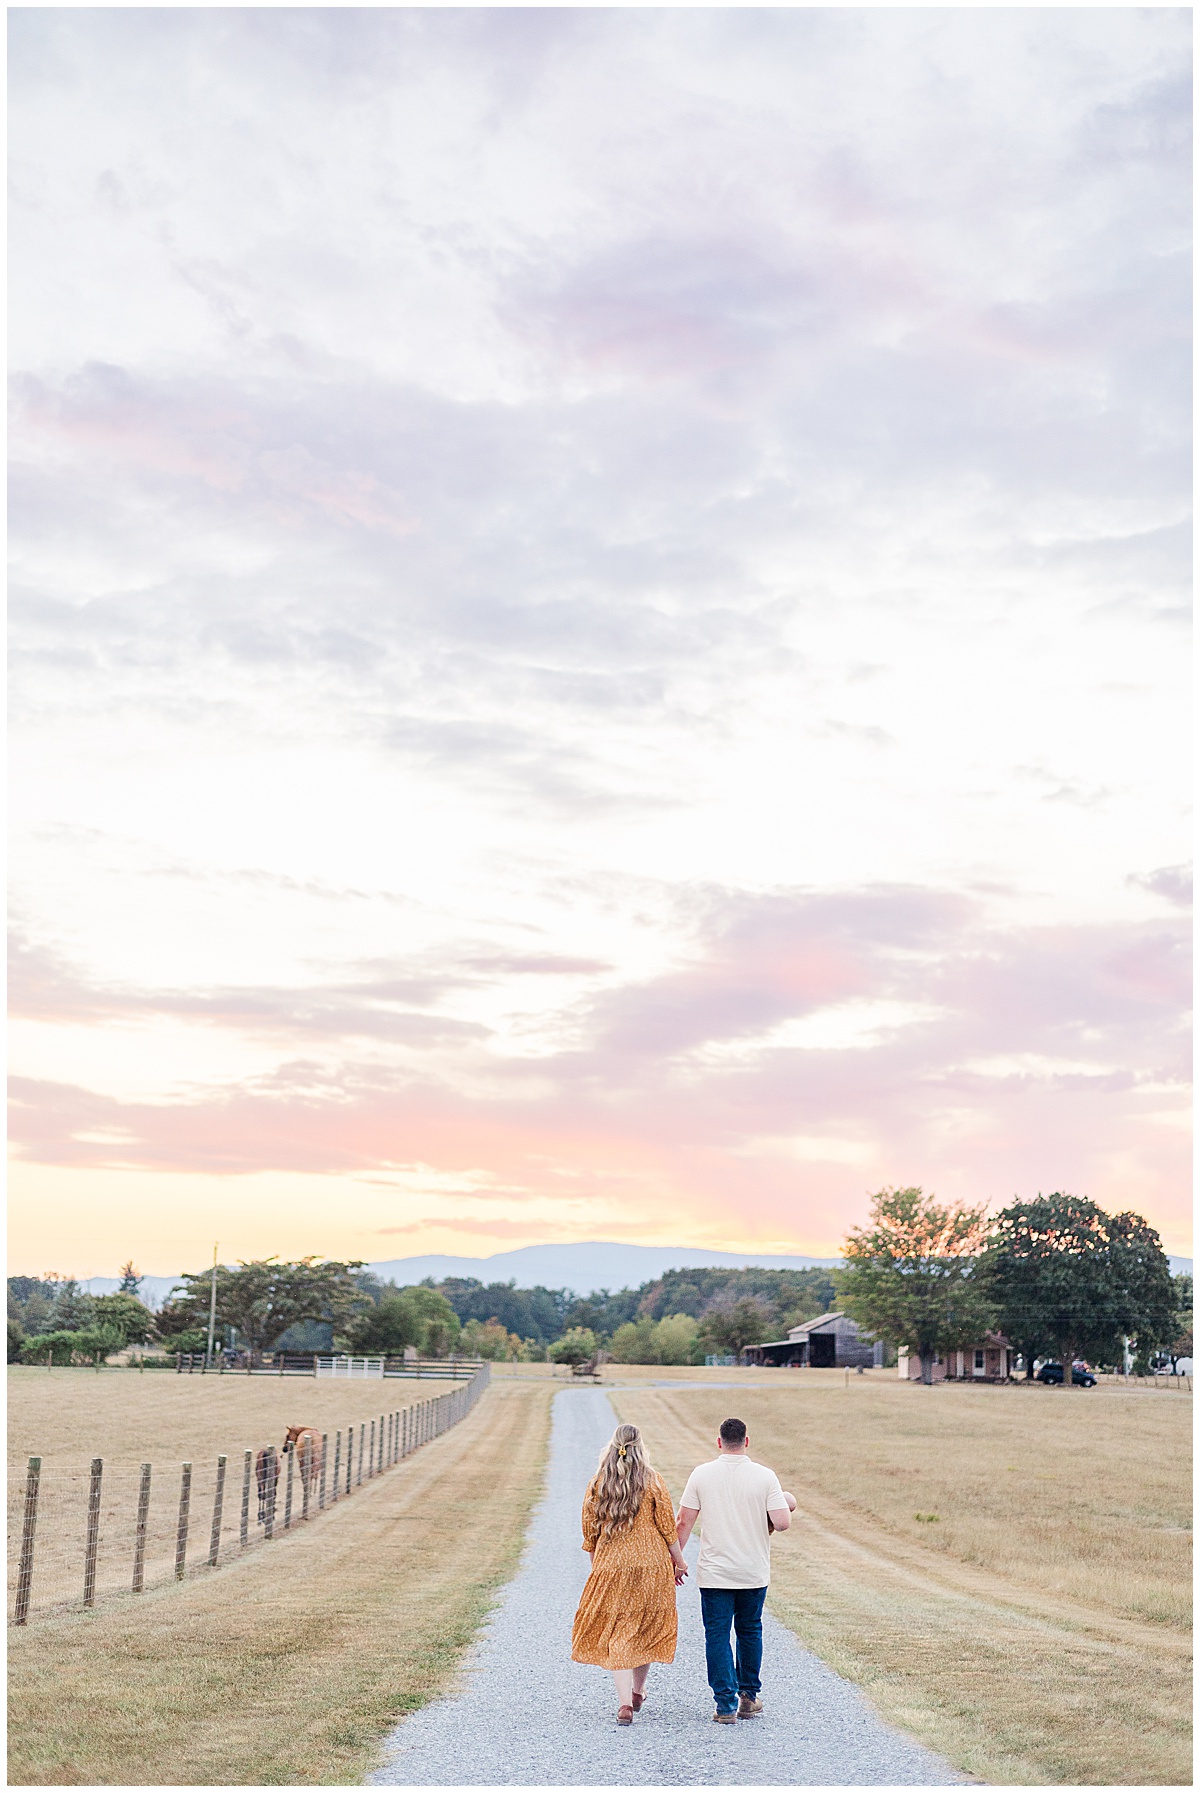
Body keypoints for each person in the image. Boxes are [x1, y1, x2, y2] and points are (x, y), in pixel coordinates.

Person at [676, 1416, 796, 1723]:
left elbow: (684, 1522)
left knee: (717, 1635)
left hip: (715, 1572)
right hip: (752, 1570)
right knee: (749, 1630)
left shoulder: (701, 1474)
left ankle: (724, 1704)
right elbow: (782, 1522)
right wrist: (787, 1502)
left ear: (719, 1442)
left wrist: (676, 1560)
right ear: (746, 1441)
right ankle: (748, 1696)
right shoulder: (765, 1476)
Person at [572, 1422, 690, 1726]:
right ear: (640, 1448)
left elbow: (590, 1533)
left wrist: (597, 1568)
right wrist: (679, 1562)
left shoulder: (598, 1483)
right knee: (644, 1626)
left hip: (611, 1565)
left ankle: (625, 1703)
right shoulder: (653, 1480)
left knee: (618, 1630)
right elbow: (667, 1527)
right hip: (651, 1565)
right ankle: (638, 1691)